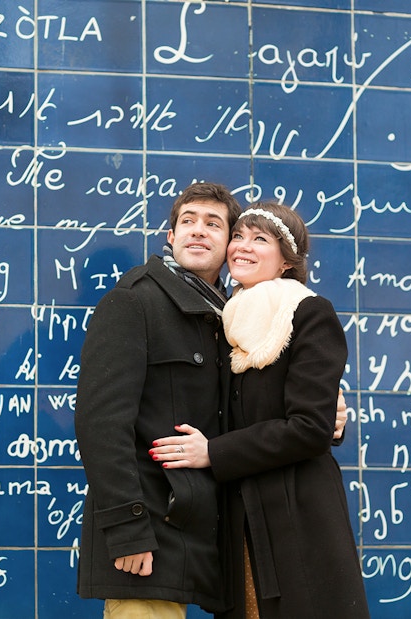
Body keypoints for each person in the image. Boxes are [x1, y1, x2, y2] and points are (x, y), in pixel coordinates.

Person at [74, 183, 348, 619]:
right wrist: (128, 531)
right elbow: (100, 423)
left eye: (214, 224)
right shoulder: (135, 299)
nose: (198, 231)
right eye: (188, 221)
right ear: (170, 236)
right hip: (147, 533)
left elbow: (263, 407)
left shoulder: (229, 318)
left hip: (203, 533)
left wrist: (326, 412)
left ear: (225, 245)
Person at [150, 202, 370, 619]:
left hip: (297, 518)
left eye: (260, 239)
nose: (242, 247)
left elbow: (308, 428)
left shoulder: (307, 313)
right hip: (241, 519)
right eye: (238, 236)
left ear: (287, 261)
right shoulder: (224, 321)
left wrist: (213, 453)